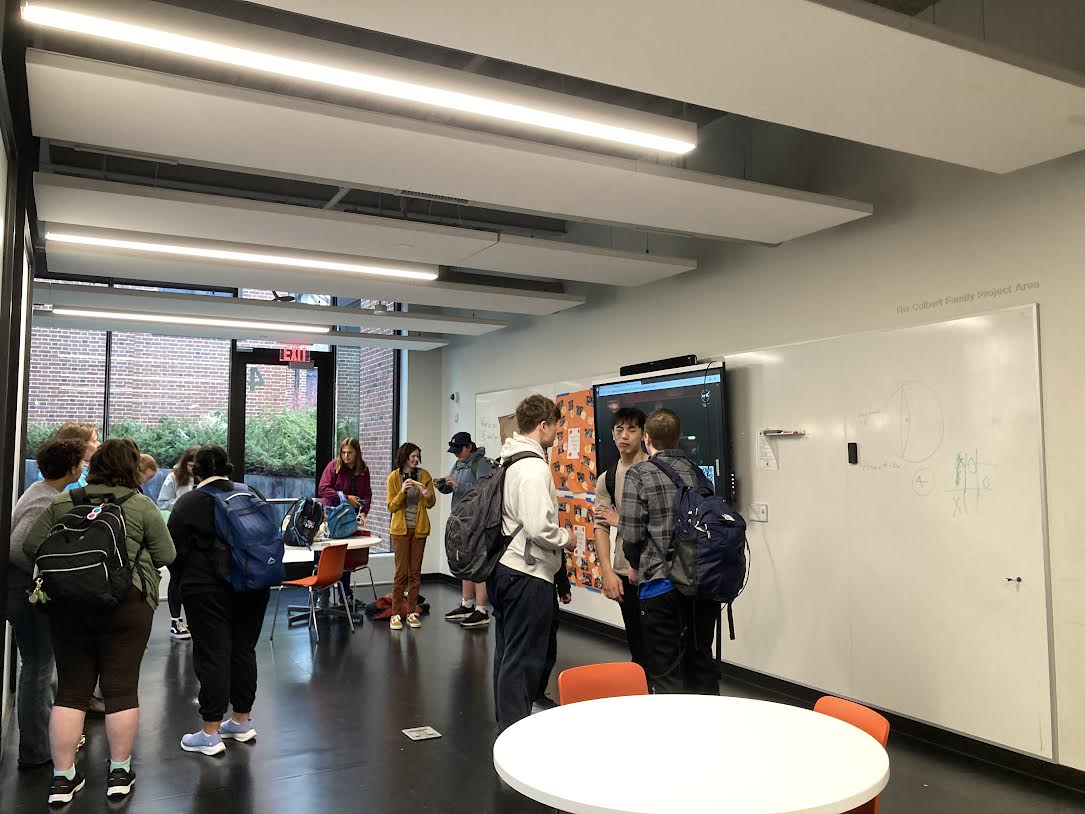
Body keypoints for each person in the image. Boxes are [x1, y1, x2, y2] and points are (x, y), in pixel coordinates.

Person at [24, 438, 175, 806]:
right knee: (121, 689)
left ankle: (63, 780)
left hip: (69, 607)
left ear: (95, 466)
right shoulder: (140, 505)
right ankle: (119, 774)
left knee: (72, 691)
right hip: (127, 605)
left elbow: (31, 545)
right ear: (131, 468)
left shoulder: (64, 501)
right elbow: (167, 553)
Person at [168, 446, 271, 756]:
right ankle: (241, 721)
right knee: (243, 649)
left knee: (213, 654)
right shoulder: (250, 492)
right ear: (227, 468)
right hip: (253, 584)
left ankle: (210, 731)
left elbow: (173, 553)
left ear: (194, 471)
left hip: (207, 588)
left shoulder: (189, 502)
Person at [489, 395, 574, 733]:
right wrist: (565, 538)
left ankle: (505, 725)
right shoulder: (535, 468)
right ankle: (515, 733)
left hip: (505, 570)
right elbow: (539, 528)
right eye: (555, 426)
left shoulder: (507, 460)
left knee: (507, 653)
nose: (557, 433)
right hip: (528, 573)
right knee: (524, 658)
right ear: (543, 426)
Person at [620, 408, 720, 696]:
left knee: (665, 670)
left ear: (647, 438)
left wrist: (636, 565)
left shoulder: (639, 474)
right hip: (700, 585)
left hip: (660, 584)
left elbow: (631, 533)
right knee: (700, 663)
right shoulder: (699, 474)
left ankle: (672, 734)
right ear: (677, 438)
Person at [6, 439, 86, 769]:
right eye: (81, 462)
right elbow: (19, 548)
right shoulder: (45, 502)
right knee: (38, 671)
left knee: (39, 670)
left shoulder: (44, 493)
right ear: (70, 467)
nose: (84, 468)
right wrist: (47, 574)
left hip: (24, 594)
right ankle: (36, 751)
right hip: (27, 597)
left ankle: (41, 743)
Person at [593, 407, 648, 670]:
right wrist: (607, 571)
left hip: (656, 572)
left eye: (632, 429)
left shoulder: (654, 470)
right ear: (612, 435)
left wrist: (620, 521)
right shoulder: (608, 478)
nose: (624, 435)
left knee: (661, 647)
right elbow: (600, 526)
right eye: (619, 429)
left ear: (643, 434)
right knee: (637, 645)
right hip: (624, 570)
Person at [437, 431, 494, 629]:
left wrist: (459, 485)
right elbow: (453, 487)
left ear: (469, 446)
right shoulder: (459, 463)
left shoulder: (481, 464)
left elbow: (485, 491)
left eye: (459, 450)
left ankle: (481, 609)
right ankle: (467, 604)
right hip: (460, 520)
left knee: (477, 565)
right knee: (464, 561)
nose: (456, 454)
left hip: (476, 520)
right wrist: (443, 485)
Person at [386, 443, 436, 631]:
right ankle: (395, 614)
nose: (416, 459)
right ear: (405, 457)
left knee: (415, 572)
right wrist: (402, 492)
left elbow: (431, 503)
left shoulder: (424, 476)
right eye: (412, 456)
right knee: (401, 574)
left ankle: (412, 612)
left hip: (419, 529)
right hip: (400, 531)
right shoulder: (393, 477)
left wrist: (427, 493)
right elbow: (391, 506)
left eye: (417, 456)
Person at [318, 437, 373, 604]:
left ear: (357, 453)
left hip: (350, 519)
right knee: (326, 555)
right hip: (331, 516)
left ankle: (345, 595)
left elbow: (367, 494)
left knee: (346, 555)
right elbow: (323, 488)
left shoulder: (363, 470)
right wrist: (345, 497)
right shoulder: (333, 466)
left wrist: (364, 512)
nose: (346, 456)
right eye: (343, 452)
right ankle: (323, 595)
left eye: (350, 452)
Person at [158, 447, 198, 641]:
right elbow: (162, 503)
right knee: (177, 577)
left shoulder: (204, 478)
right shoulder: (173, 477)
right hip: (178, 533)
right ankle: (175, 620)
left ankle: (193, 620)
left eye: (196, 465)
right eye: (190, 464)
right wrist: (186, 500)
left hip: (198, 535)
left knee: (194, 579)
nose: (192, 469)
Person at [39, 422, 99, 492]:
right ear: (79, 444)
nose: (98, 444)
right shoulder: (66, 478)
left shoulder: (86, 470)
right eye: (94, 441)